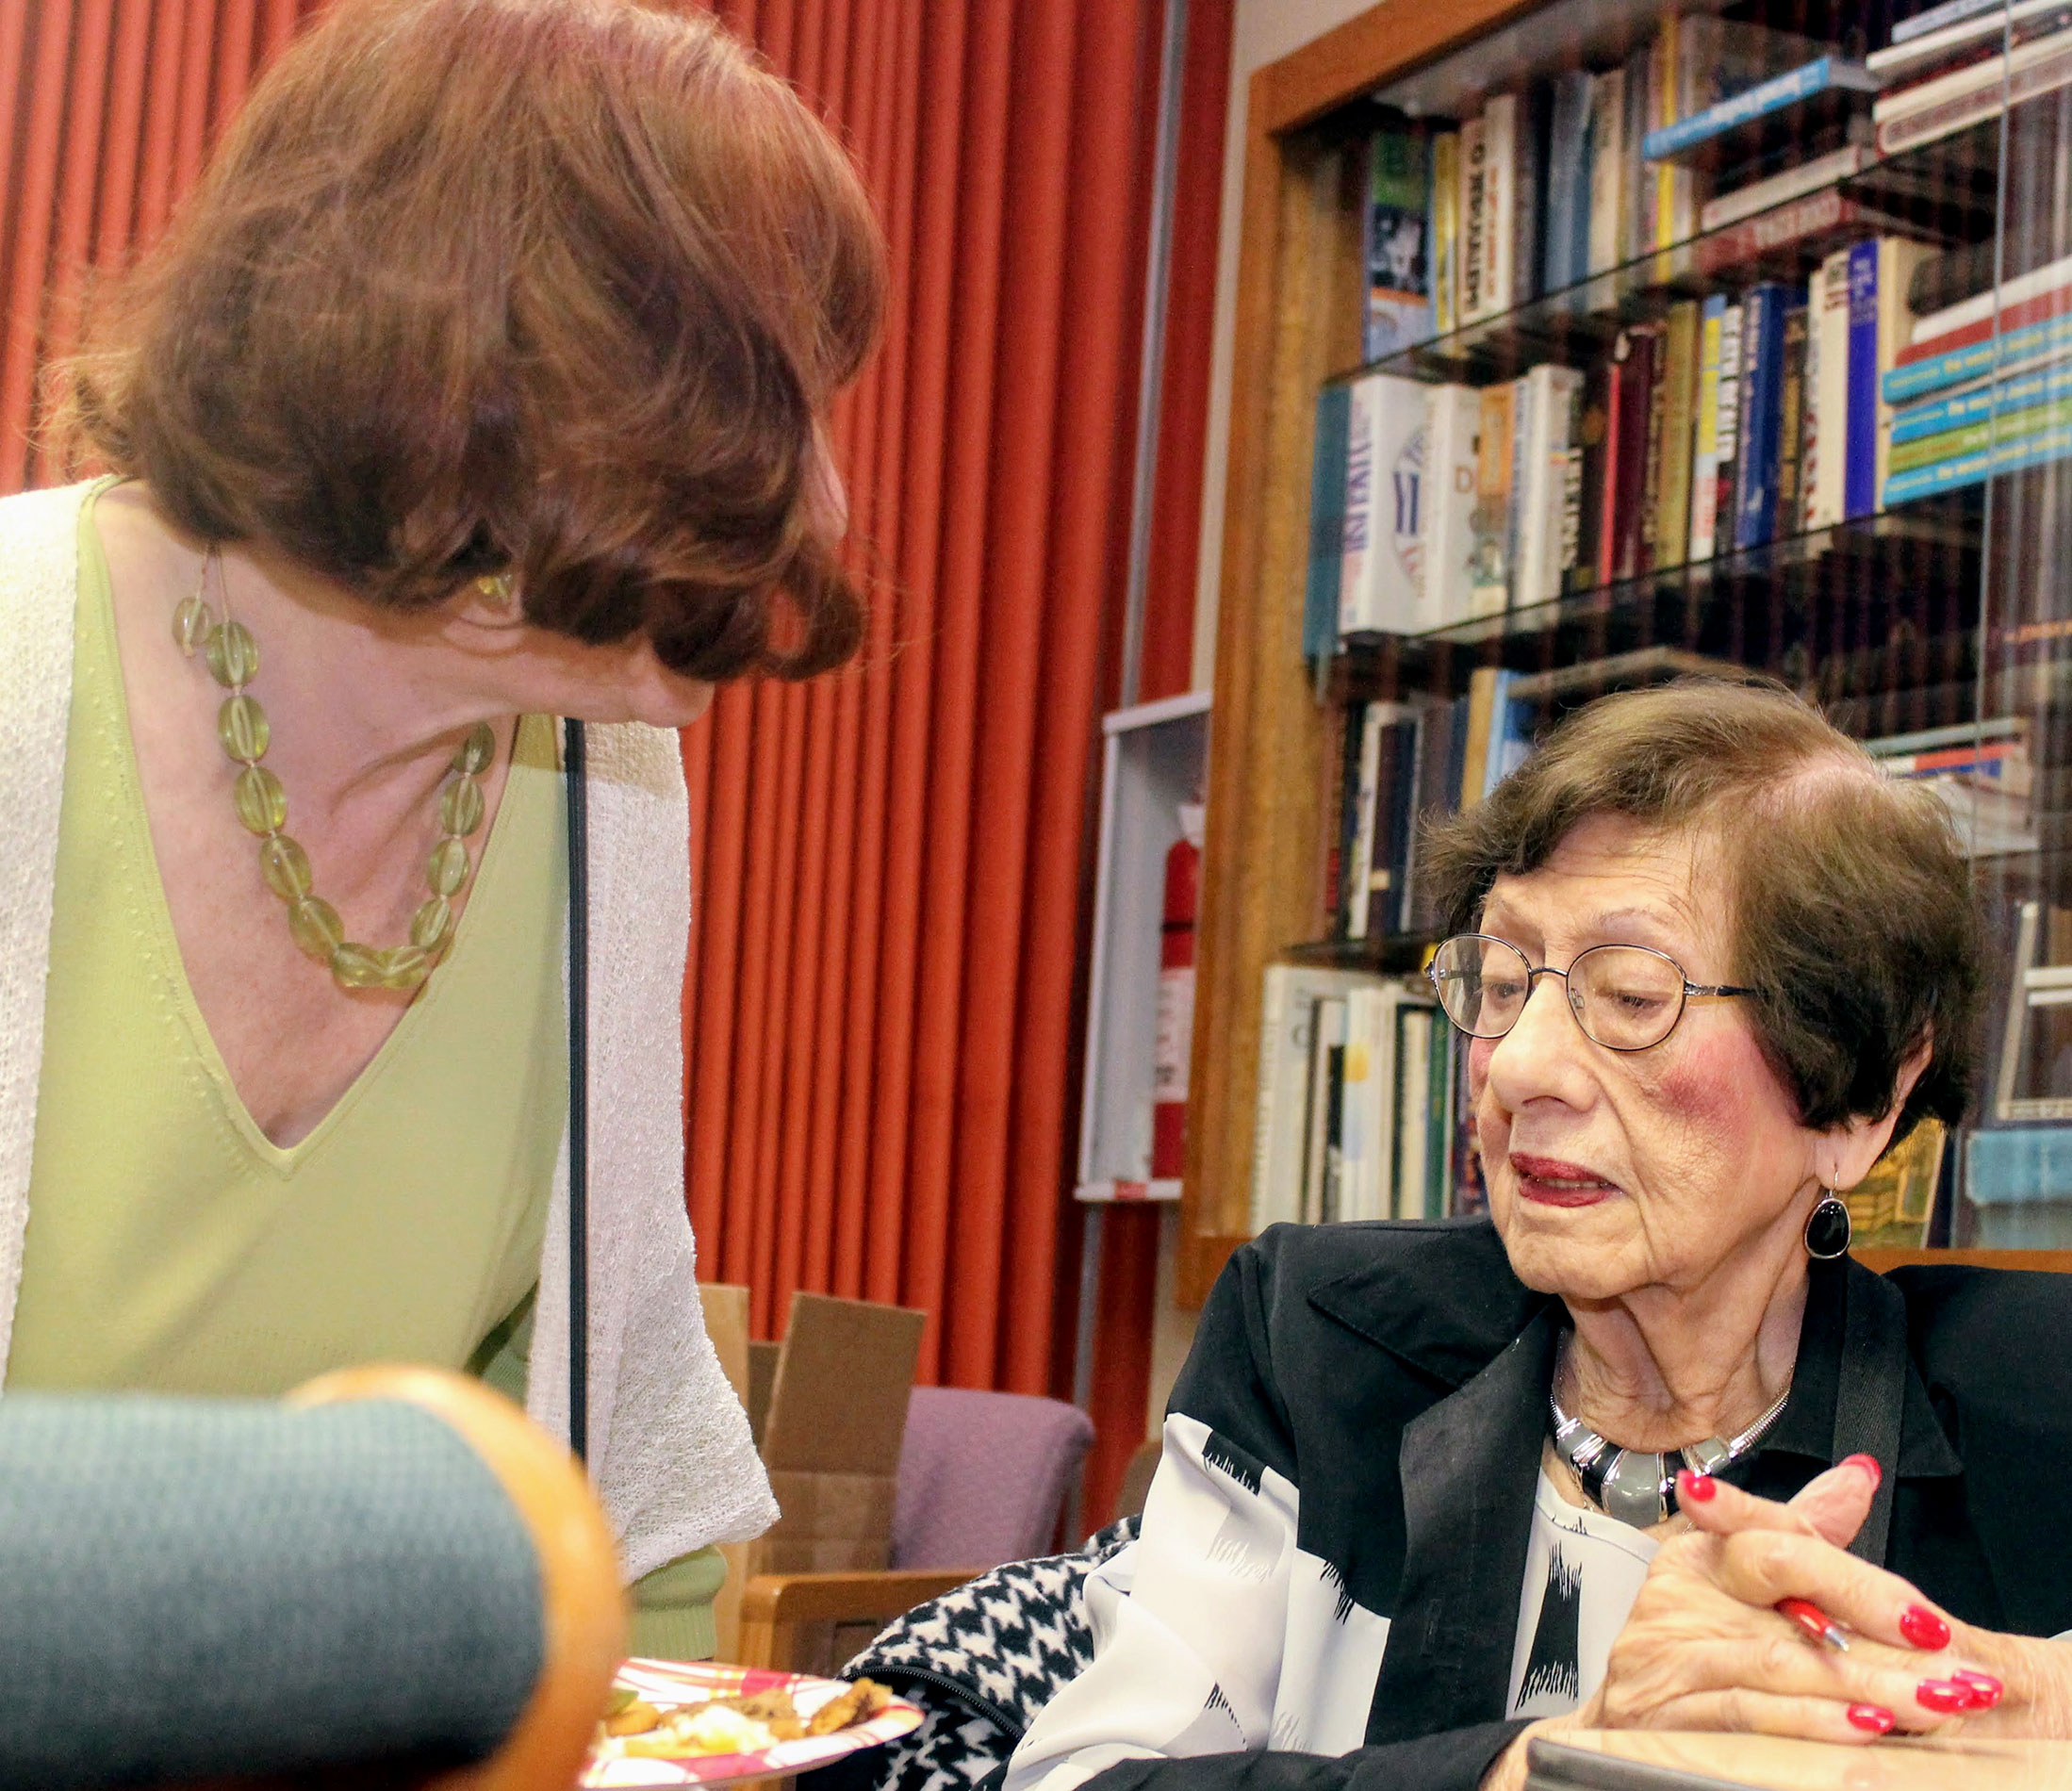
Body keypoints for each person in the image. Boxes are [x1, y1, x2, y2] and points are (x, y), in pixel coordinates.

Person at [0, 0, 884, 1656]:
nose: (822, 507)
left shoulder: (609, 795)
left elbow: (605, 1490)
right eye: (760, 409)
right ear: (479, 378)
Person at [1003, 679, 2072, 1791]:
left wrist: (2027, 1695)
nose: (1515, 1067)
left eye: (1631, 996)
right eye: (1502, 979)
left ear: (1858, 1099)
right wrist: (1547, 1770)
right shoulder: (1317, 1338)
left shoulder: (2032, 1399)